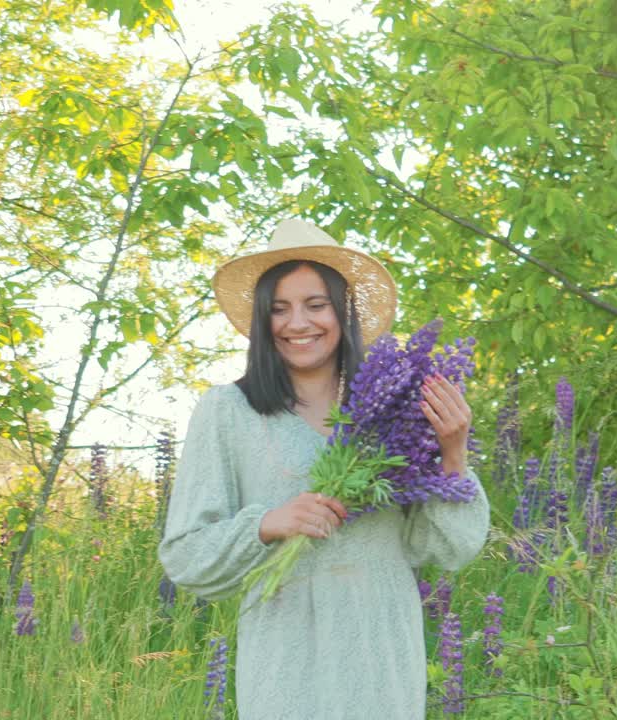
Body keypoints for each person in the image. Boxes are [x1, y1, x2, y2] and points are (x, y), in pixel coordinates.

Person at [157, 219, 490, 719]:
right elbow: (186, 556)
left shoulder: (396, 409)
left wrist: (452, 454)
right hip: (284, 662)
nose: (298, 323)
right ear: (261, 322)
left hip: (382, 659)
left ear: (343, 310)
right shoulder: (228, 412)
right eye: (279, 309)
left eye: (316, 305)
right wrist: (268, 525)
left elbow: (446, 549)